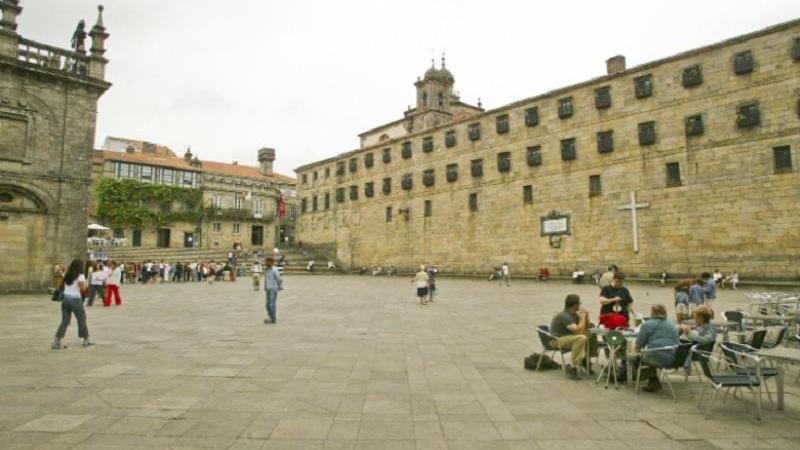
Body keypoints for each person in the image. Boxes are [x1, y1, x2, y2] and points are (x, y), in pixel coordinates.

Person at [634, 304, 680, 392]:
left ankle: (652, 380)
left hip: (658, 358)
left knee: (634, 357)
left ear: (653, 313)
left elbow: (638, 346)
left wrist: (635, 351)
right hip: (675, 357)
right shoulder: (671, 323)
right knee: (650, 353)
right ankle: (652, 380)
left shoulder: (647, 325)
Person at [52, 258, 93, 349]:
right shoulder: (80, 275)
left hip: (65, 299)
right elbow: (83, 289)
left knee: (65, 321)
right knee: (81, 319)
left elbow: (59, 285)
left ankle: (57, 341)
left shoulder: (67, 273)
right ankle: (86, 339)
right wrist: (85, 284)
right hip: (75, 300)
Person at [549, 294, 590, 380]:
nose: (580, 305)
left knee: (590, 335)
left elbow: (586, 328)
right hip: (556, 340)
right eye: (579, 303)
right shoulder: (564, 316)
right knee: (581, 338)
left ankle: (586, 360)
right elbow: (578, 331)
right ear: (575, 305)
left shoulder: (574, 315)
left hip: (567, 338)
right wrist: (582, 317)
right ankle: (573, 366)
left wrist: (586, 316)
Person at [263, 257, 283, 324]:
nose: (265, 263)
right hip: (268, 289)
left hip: (273, 289)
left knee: (271, 304)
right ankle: (270, 317)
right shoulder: (267, 270)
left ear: (271, 262)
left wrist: (279, 286)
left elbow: (279, 279)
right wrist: (265, 287)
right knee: (267, 304)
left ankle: (273, 319)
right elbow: (266, 280)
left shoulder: (274, 270)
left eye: (267, 261)